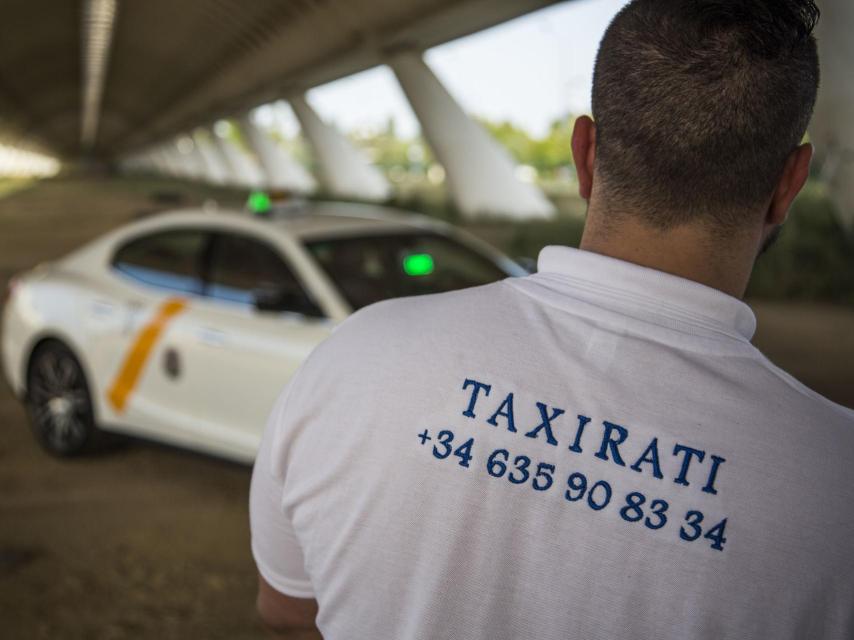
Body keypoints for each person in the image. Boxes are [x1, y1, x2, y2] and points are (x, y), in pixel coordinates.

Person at [249, 0, 854, 637]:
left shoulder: (358, 354)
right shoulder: (836, 487)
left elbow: (287, 606)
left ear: (585, 153)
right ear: (790, 183)